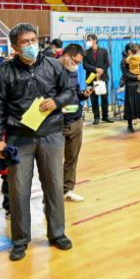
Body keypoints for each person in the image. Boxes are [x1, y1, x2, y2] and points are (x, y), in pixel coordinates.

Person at [0, 23, 76, 261]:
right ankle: (20, 240)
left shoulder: (53, 65)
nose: (31, 45)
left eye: (33, 40)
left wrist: (56, 102)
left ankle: (57, 233)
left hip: (51, 134)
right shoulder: (3, 72)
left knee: (54, 186)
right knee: (19, 191)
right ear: (15, 47)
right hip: (18, 138)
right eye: (25, 42)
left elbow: (69, 90)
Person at [60, 43, 92, 203]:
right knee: (54, 161)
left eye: (79, 62)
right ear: (66, 56)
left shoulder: (73, 72)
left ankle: (68, 190)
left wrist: (84, 95)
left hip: (76, 119)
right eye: (76, 62)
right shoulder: (51, 71)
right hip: (58, 123)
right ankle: (52, 193)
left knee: (72, 158)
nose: (78, 65)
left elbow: (76, 93)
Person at [83, 34, 112, 124]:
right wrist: (95, 70)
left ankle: (105, 116)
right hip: (91, 78)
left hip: (102, 77)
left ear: (95, 40)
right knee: (94, 98)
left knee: (104, 98)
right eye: (87, 40)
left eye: (90, 39)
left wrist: (100, 71)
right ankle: (96, 117)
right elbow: (85, 65)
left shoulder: (104, 50)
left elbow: (107, 63)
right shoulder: (86, 52)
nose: (88, 41)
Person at [121, 43, 140, 133]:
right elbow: (126, 73)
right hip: (130, 84)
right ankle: (130, 125)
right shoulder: (124, 61)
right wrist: (136, 77)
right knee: (130, 105)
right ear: (127, 51)